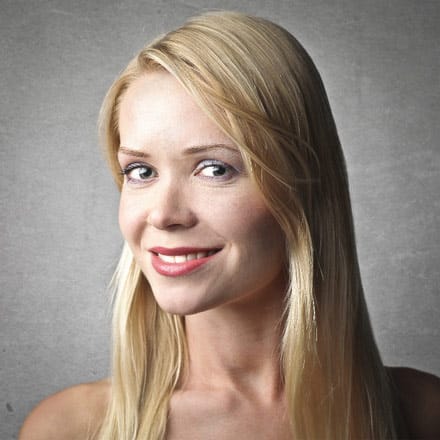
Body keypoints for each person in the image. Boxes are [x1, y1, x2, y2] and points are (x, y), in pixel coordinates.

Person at [19, 10, 440, 440]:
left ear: (302, 185)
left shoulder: (423, 415)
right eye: (141, 172)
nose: (163, 215)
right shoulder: (67, 429)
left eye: (215, 169)